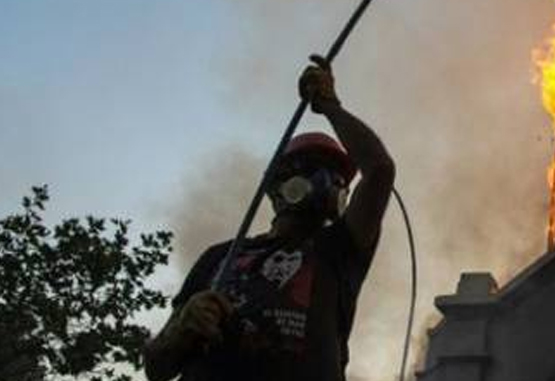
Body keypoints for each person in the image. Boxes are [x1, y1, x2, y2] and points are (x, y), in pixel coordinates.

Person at [143, 56, 395, 381]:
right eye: (309, 166)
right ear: (276, 186)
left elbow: (379, 170)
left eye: (336, 177)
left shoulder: (339, 250)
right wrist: (179, 330)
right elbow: (157, 368)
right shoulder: (219, 256)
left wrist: (331, 106)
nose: (326, 182)